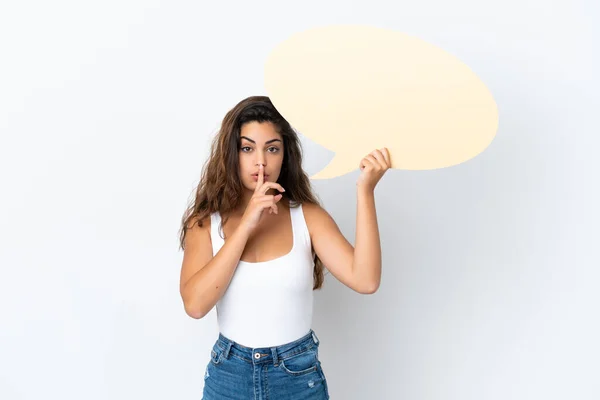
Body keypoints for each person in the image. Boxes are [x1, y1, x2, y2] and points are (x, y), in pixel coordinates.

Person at [178, 95, 390, 399]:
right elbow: (195, 305)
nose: (260, 161)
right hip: (229, 378)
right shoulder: (204, 224)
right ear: (231, 154)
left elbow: (366, 280)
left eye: (272, 149)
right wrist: (247, 223)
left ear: (284, 156)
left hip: (297, 379)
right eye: (247, 148)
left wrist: (365, 191)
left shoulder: (307, 217)